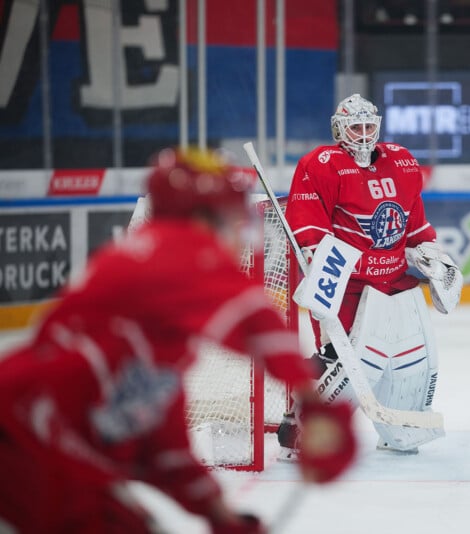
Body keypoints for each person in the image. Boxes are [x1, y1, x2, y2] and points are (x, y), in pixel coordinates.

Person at [0, 147, 356, 534]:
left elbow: (166, 453)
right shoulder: (177, 247)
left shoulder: (153, 326)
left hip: (34, 438)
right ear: (205, 217)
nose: (239, 234)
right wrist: (311, 400)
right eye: (233, 219)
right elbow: (253, 316)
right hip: (30, 436)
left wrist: (220, 515)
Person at [278, 93, 463, 459]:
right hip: (347, 284)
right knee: (341, 362)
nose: (363, 135)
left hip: (394, 284)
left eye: (368, 126)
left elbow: (413, 226)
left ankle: (402, 428)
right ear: (339, 129)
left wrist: (429, 254)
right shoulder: (321, 164)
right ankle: (302, 425)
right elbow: (310, 224)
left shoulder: (403, 161)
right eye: (355, 127)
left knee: (412, 362)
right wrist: (320, 265)